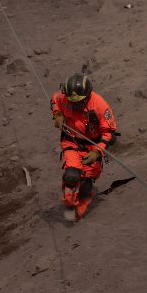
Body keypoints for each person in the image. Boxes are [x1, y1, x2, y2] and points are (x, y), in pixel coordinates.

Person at [51, 73, 118, 221]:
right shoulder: (64, 96)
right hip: (71, 141)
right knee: (72, 175)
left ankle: (81, 202)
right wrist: (58, 114)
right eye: (71, 102)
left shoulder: (100, 106)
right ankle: (69, 203)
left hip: (93, 146)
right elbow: (55, 99)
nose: (75, 105)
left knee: (86, 185)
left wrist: (97, 152)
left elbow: (109, 134)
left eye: (79, 102)